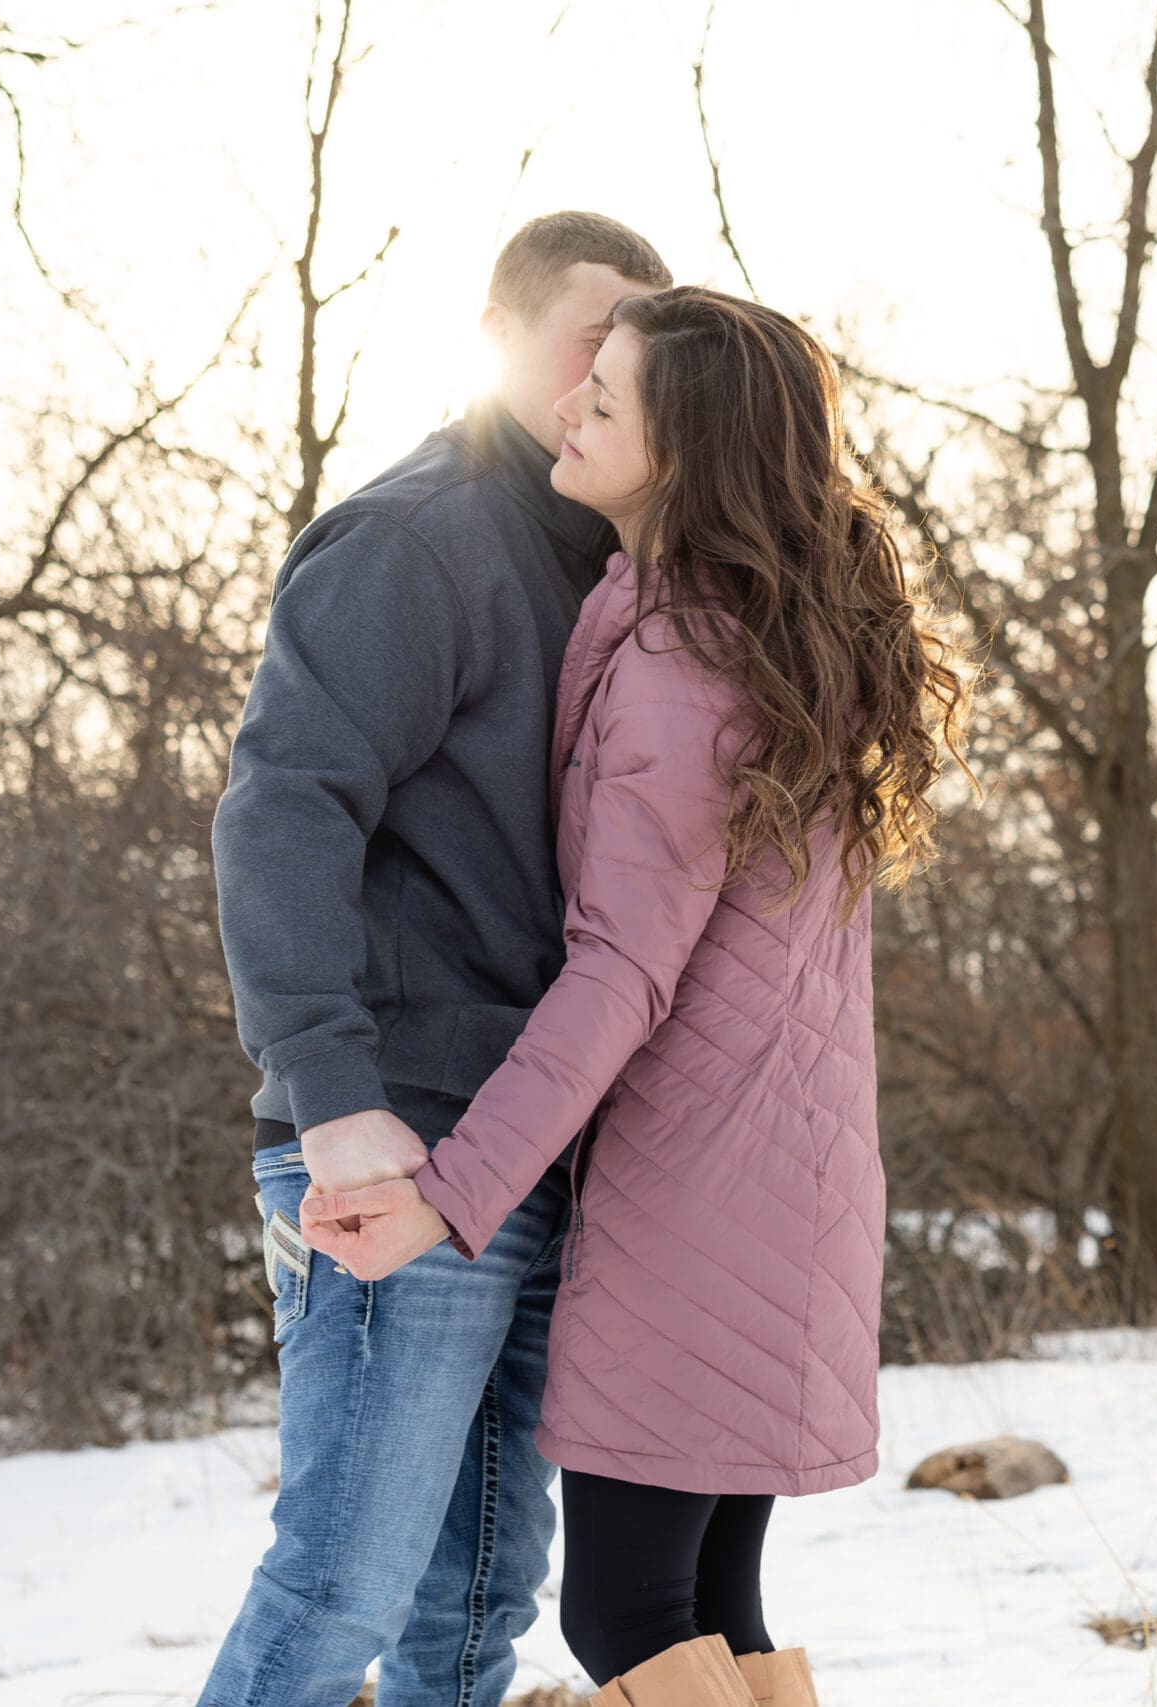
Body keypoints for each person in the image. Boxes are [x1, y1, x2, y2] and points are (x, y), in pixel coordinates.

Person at [303, 287, 974, 1707]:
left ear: (685, 454)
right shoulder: (777, 642)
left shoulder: (680, 664)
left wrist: (452, 1191)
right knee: (707, 1601)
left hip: (694, 1205)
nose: (568, 409)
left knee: (623, 1615)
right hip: (790, 1193)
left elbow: (622, 971)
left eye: (605, 402)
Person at [198, 213, 672, 1707]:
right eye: (581, 338)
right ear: (500, 331)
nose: (603, 374)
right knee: (343, 1582)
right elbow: (278, 815)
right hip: (393, 1143)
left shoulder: (604, 561)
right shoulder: (418, 540)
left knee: (475, 1606)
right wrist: (331, 1095)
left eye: (629, 350)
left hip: (533, 1153)